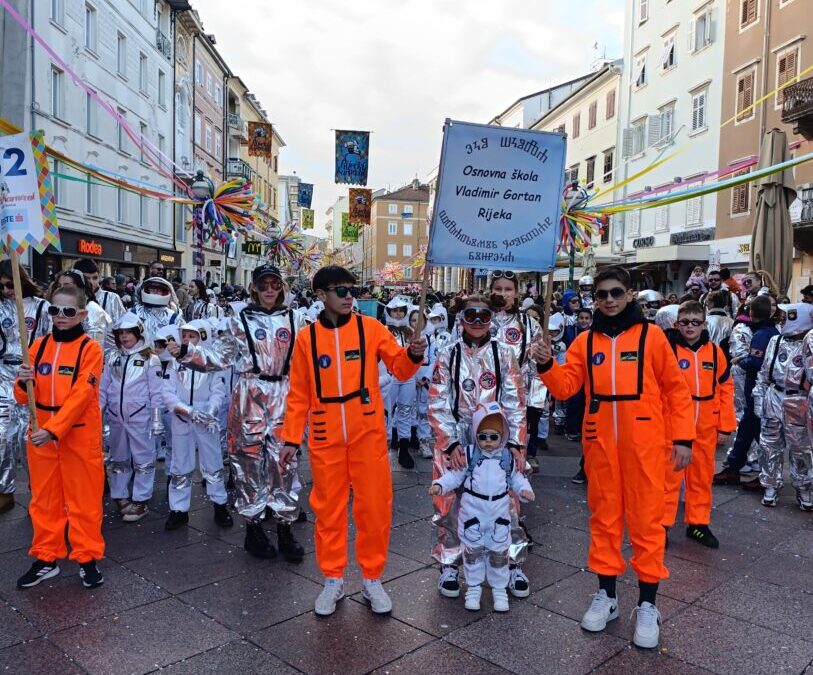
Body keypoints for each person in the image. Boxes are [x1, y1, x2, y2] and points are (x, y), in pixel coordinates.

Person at [533, 266, 694, 649]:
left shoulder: (653, 337)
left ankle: (648, 604)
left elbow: (676, 390)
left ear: (630, 294)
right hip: (601, 444)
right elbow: (567, 386)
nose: (608, 300)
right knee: (604, 520)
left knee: (648, 524)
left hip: (647, 444)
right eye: (601, 294)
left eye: (615, 293)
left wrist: (683, 438)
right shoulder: (584, 342)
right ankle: (606, 595)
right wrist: (544, 364)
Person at [279, 265, 426, 616]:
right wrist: (289, 438)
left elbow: (400, 369)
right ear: (321, 295)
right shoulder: (306, 339)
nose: (349, 297)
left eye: (352, 289)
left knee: (374, 508)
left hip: (367, 432)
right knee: (328, 510)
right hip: (325, 432)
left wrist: (415, 354)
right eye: (341, 290)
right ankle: (333, 579)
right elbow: (298, 393)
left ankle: (372, 578)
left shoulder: (371, 328)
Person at [168, 264, 306, 561]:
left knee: (284, 463)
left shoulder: (297, 319)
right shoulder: (238, 320)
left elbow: (310, 359)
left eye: (274, 283)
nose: (269, 289)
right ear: (254, 287)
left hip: (285, 393)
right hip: (250, 394)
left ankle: (284, 528)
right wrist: (185, 352)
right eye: (263, 284)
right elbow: (218, 358)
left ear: (281, 286)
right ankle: (253, 529)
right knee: (248, 462)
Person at [429, 295, 529, 601]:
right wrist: (451, 443)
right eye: (470, 315)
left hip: (495, 434)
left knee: (506, 498)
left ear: (491, 319)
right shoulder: (447, 354)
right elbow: (437, 400)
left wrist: (514, 443)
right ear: (460, 319)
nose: (476, 322)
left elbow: (515, 401)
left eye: (483, 316)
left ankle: (511, 561)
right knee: (449, 501)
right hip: (458, 433)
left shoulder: (504, 354)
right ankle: (450, 562)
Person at [15, 285, 105, 589]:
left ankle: (86, 558)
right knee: (44, 500)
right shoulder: (37, 346)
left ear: (81, 314)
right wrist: (22, 380)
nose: (61, 316)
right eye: (55, 310)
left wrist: (54, 430)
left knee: (84, 500)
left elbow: (82, 394)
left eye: (68, 311)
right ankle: (46, 557)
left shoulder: (90, 349)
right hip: (40, 433)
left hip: (77, 435)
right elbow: (22, 394)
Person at [429, 402, 534, 612]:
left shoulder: (506, 458)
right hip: (473, 513)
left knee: (498, 554)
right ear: (475, 435)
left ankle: (499, 589)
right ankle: (474, 588)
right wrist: (440, 485)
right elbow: (455, 476)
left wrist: (525, 491)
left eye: (493, 437)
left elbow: (516, 479)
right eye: (482, 436)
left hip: (498, 514)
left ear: (502, 436)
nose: (487, 442)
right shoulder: (469, 455)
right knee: (472, 553)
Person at [662, 301, 736, 549]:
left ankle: (698, 523)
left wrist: (725, 425)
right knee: (668, 478)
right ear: (677, 324)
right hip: (673, 424)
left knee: (702, 477)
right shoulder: (668, 351)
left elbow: (726, 388)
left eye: (695, 322)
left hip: (706, 424)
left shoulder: (715, 353)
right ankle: (661, 525)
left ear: (704, 324)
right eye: (685, 322)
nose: (690, 327)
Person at [161, 320, 232, 529]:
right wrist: (186, 410)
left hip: (206, 419)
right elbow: (167, 392)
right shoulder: (174, 362)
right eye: (184, 336)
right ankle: (179, 509)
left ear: (203, 337)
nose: (187, 341)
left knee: (213, 462)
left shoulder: (212, 363)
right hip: (182, 417)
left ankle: (219, 504)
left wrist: (209, 412)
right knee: (180, 464)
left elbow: (219, 392)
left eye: (192, 337)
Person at [100, 313, 165, 522]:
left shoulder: (150, 359)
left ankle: (140, 501)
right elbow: (103, 388)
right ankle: (120, 496)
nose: (124, 336)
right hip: (116, 417)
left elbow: (157, 393)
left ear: (138, 333)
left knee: (143, 460)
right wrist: (97, 414)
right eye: (120, 333)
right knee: (118, 459)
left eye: (128, 332)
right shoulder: (112, 357)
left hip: (141, 418)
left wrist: (156, 419)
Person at [0, 262, 50, 514]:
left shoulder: (41, 307)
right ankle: (4, 490)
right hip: (2, 374)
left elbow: (50, 343)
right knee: (2, 436)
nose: (7, 290)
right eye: (1, 286)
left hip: (30, 377)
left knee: (29, 438)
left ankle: (38, 491)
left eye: (10, 284)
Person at [713, 295, 779, 485]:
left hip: (756, 390)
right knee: (748, 430)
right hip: (760, 391)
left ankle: (768, 476)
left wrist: (741, 360)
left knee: (761, 434)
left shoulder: (761, 334)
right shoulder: (770, 330)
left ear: (751, 312)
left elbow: (756, 363)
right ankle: (734, 466)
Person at [756, 303, 813, 510]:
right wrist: (759, 399)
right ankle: (770, 486)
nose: (781, 320)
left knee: (800, 448)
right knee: (769, 445)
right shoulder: (775, 340)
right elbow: (763, 373)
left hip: (798, 400)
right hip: (774, 396)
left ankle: (804, 488)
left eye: (786, 316)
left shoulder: (809, 344)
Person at [382, 296, 418, 468]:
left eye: (401, 310)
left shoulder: (411, 332)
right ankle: (384, 447)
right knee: (386, 414)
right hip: (389, 377)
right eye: (394, 310)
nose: (398, 313)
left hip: (408, 377)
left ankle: (404, 448)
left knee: (405, 410)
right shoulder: (382, 331)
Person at [50, 271, 113, 352]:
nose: (62, 289)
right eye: (59, 285)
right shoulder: (57, 308)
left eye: (67, 285)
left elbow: (95, 349)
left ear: (80, 287)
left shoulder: (93, 311)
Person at [73, 258, 126, 325]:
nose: (91, 282)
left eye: (95, 278)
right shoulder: (68, 298)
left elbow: (122, 326)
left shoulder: (112, 298)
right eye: (86, 278)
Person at [131, 276, 181, 345]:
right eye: (152, 289)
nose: (155, 292)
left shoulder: (173, 316)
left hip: (163, 353)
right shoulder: (134, 312)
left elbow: (179, 340)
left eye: (159, 290)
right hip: (139, 353)